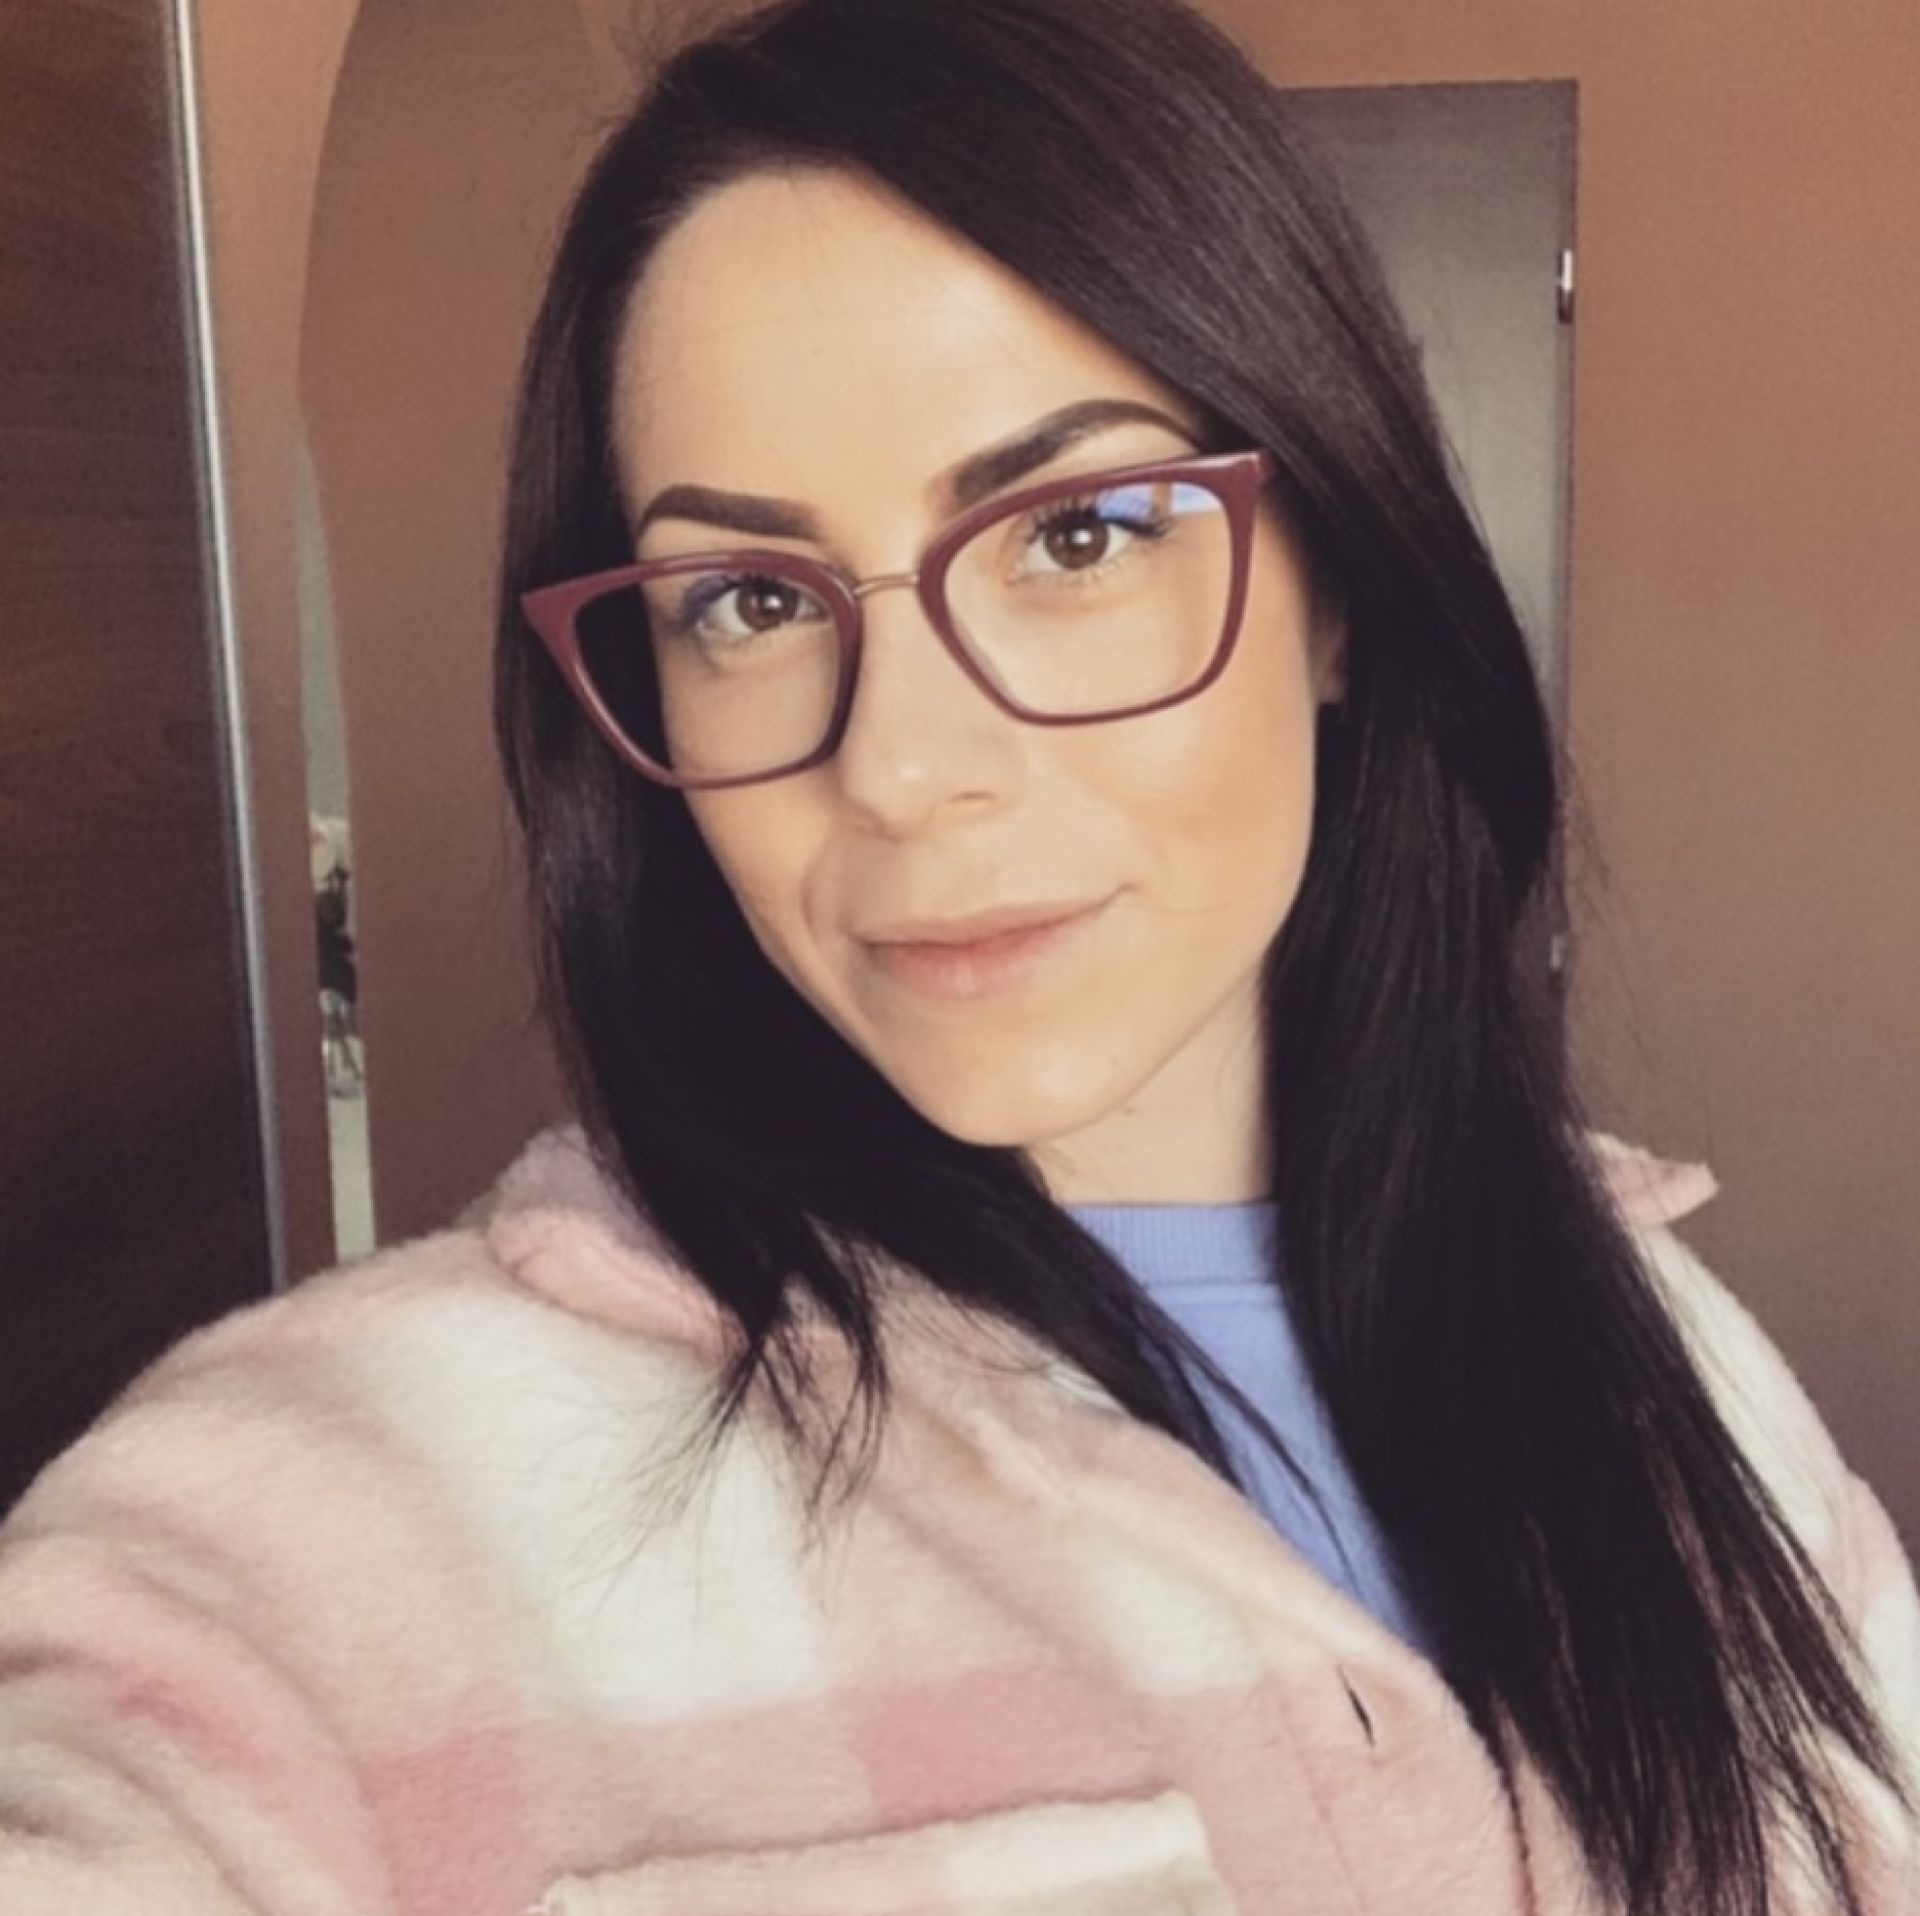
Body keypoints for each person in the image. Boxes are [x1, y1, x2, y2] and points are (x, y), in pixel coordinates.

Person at [1, 0, 1914, 1910]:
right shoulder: (345, 1519)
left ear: (1335, 585)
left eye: (1078, 537)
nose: (902, 771)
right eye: (746, 602)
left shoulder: (1680, 1365)